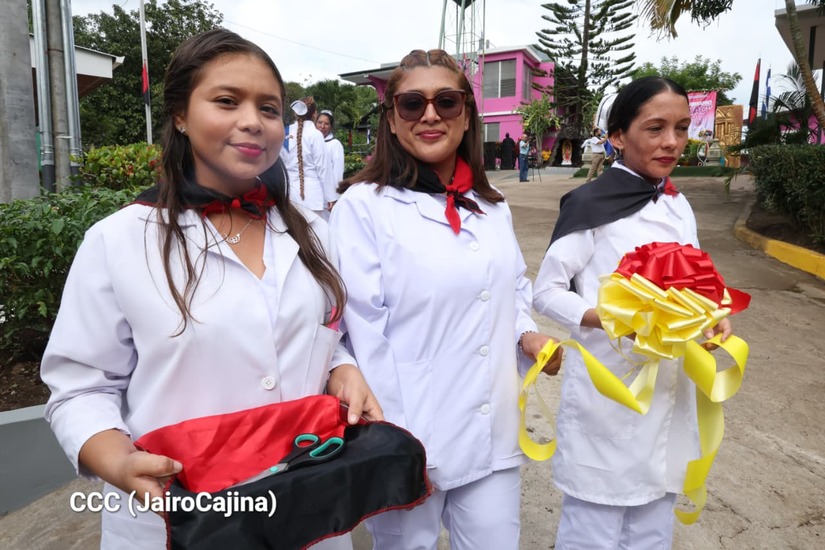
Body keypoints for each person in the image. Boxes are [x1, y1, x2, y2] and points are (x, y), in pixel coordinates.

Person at [40, 29, 382, 550]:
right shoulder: (120, 240)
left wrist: (342, 367)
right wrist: (116, 460)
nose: (253, 120)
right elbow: (81, 386)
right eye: (227, 101)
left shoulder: (311, 232)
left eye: (268, 108)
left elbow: (326, 331)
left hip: (309, 508)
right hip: (178, 517)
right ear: (179, 113)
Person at [329, 48, 562, 550]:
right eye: (412, 104)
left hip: (492, 424)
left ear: (467, 116)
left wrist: (525, 332)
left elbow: (515, 285)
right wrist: (394, 435)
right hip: (408, 430)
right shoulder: (363, 208)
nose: (430, 115)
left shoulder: (490, 206)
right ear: (392, 120)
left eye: (447, 101)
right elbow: (357, 326)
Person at [532, 76, 734, 550]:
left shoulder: (678, 204)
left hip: (672, 388)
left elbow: (697, 279)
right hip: (611, 392)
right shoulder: (590, 204)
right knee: (594, 531)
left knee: (652, 527)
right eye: (655, 128)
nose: (671, 142)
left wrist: (711, 313)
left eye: (681, 128)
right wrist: (605, 318)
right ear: (618, 136)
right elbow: (546, 291)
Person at [281, 96, 329, 215]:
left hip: (289, 194)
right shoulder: (316, 135)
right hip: (313, 195)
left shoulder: (284, 133)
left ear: (296, 113)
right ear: (314, 114)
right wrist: (331, 196)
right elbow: (323, 168)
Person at [316, 109, 345, 217]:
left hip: (328, 197)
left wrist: (334, 197)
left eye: (326, 124)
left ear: (331, 127)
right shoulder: (311, 142)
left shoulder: (334, 144)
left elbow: (338, 172)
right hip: (313, 193)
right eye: (320, 122)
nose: (322, 126)